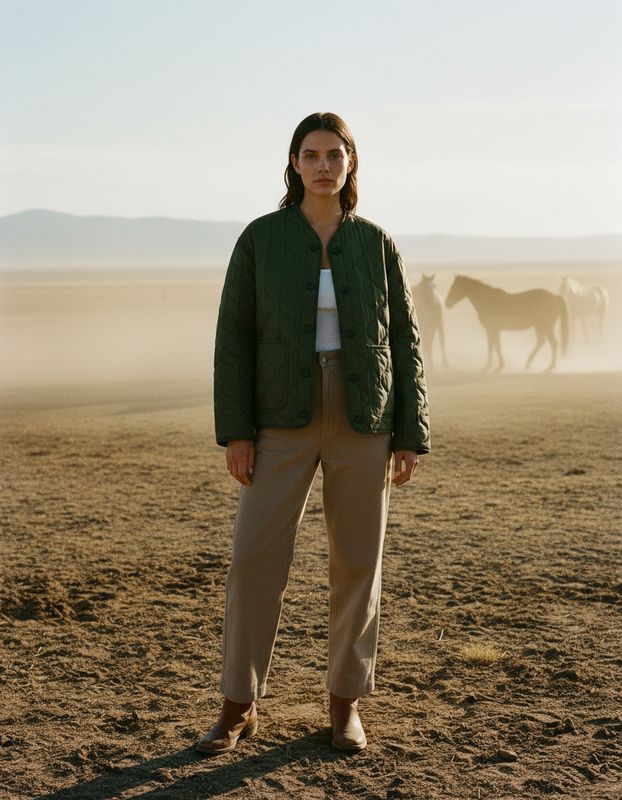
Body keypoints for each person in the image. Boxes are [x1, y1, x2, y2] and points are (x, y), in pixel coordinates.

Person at [196, 112, 430, 755]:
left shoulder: (376, 243)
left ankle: (344, 704)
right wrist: (236, 431)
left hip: (364, 419)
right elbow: (232, 340)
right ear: (294, 165)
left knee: (357, 561)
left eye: (334, 154)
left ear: (350, 163)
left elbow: (405, 340)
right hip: (279, 417)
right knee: (253, 559)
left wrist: (409, 432)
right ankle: (237, 705)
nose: (323, 165)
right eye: (311, 154)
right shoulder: (261, 239)